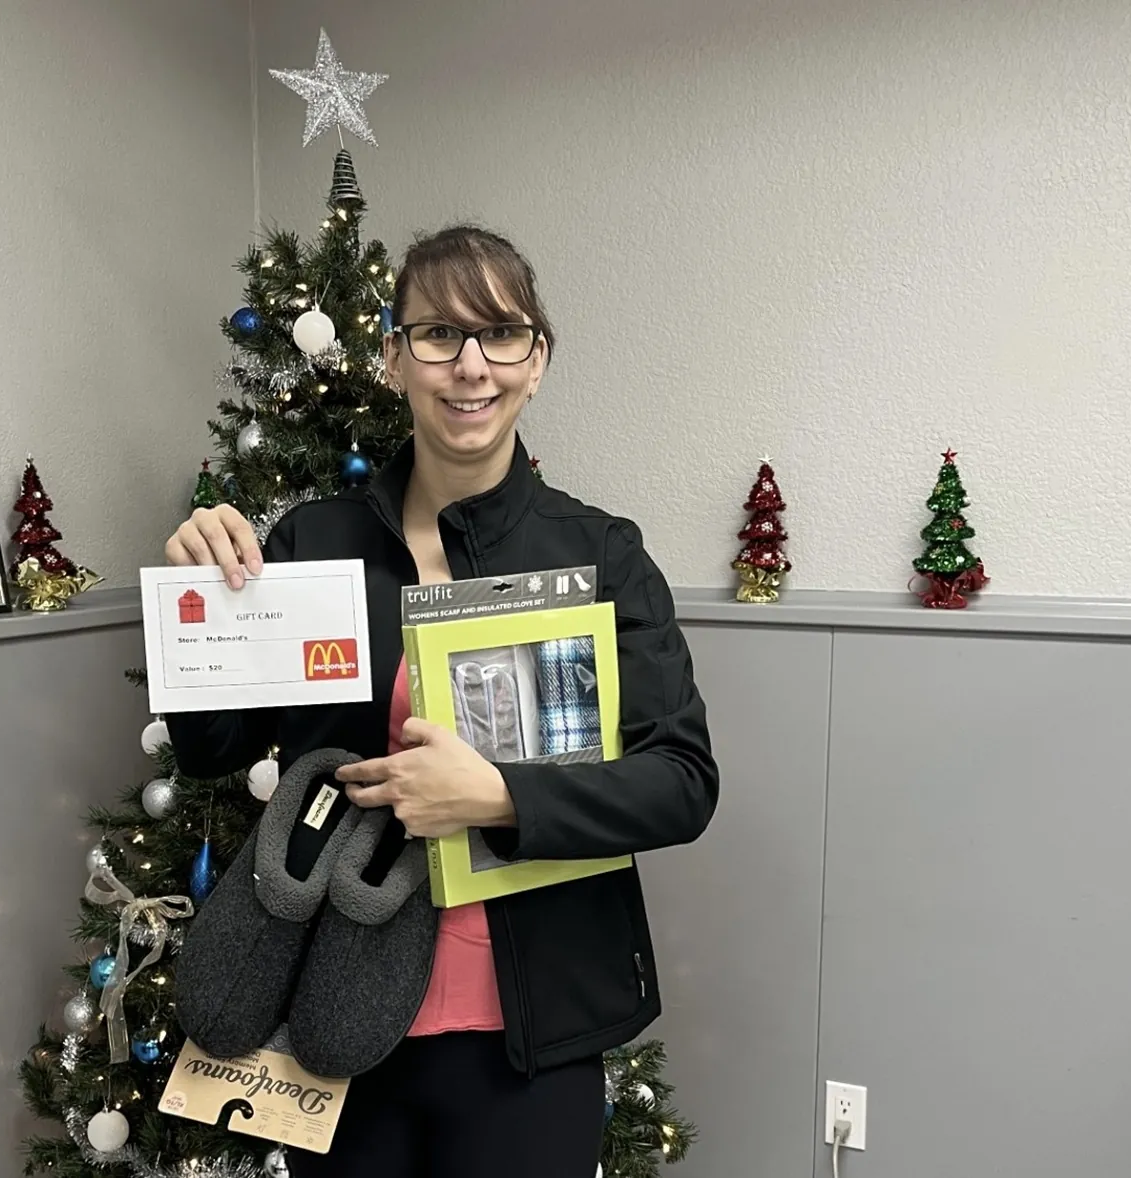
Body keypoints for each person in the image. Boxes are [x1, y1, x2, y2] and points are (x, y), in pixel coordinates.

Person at [162, 224, 718, 1178]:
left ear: (536, 361)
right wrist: (197, 603)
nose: (470, 367)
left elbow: (681, 782)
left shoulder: (600, 558)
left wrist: (500, 799)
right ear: (392, 356)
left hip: (527, 1033)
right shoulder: (311, 544)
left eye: (501, 335)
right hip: (338, 1023)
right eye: (436, 335)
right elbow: (212, 746)